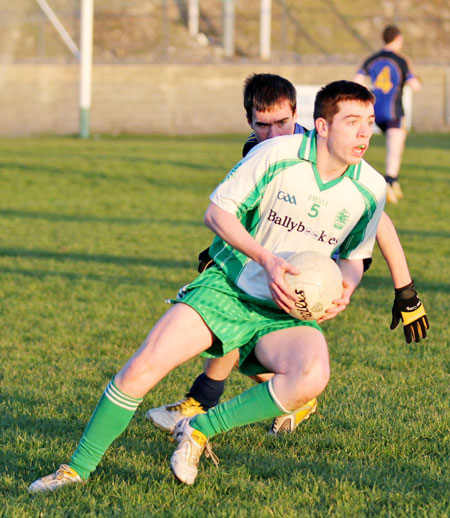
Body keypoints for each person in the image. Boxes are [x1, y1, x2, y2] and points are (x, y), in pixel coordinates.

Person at [28, 80, 388, 492]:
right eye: (353, 122)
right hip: (230, 289)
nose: (364, 133)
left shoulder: (370, 187)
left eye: (370, 123)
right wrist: (267, 260)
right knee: (142, 368)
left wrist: (345, 288)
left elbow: (357, 256)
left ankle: (199, 428)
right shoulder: (275, 155)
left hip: (284, 311)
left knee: (312, 375)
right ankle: (75, 470)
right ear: (322, 126)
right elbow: (217, 214)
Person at [146, 73, 429, 437]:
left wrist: (404, 290)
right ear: (249, 121)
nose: (274, 133)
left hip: (328, 256)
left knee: (240, 323)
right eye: (263, 125)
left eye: (283, 123)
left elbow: (380, 221)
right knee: (239, 327)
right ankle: (273, 396)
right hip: (275, 252)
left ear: (299, 116)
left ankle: (206, 400)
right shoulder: (260, 149)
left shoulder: (316, 150)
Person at [353, 25, 421, 204]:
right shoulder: (401, 60)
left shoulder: (372, 59)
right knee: (394, 150)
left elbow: (357, 80)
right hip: (394, 111)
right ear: (398, 38)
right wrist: (413, 78)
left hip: (374, 112)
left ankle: (381, 183)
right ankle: (390, 183)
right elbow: (415, 85)